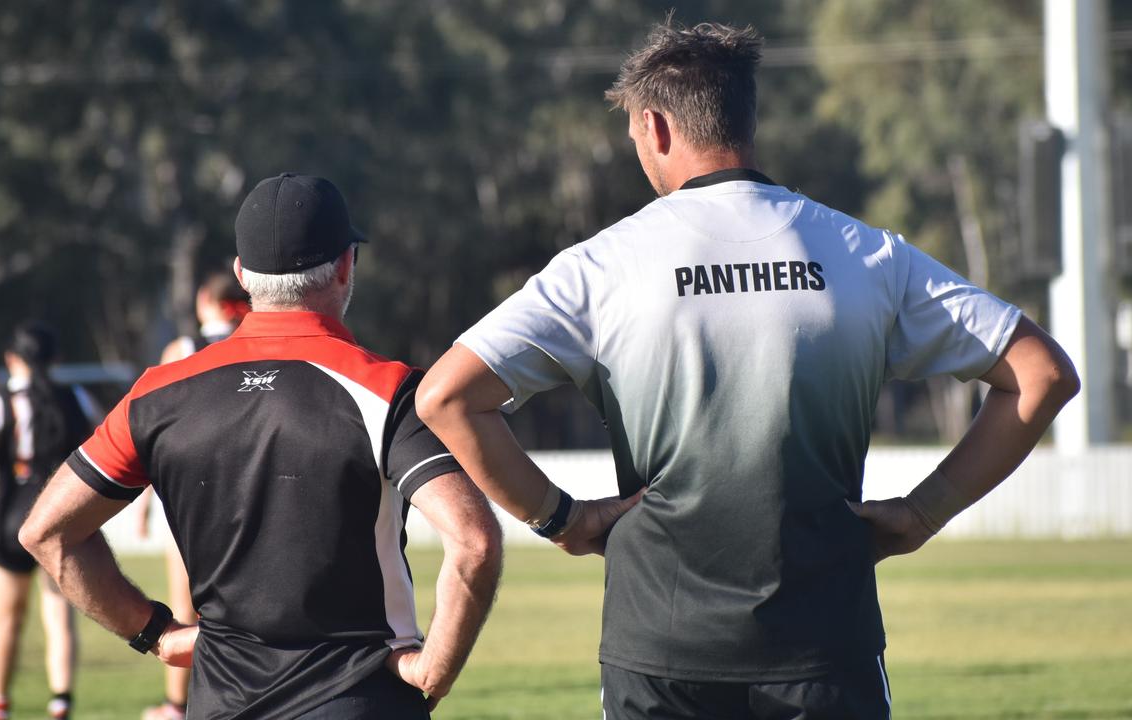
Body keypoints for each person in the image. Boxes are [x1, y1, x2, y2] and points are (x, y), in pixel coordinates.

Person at [416, 21, 1080, 720]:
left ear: (655, 127)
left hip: (659, 648)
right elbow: (1042, 374)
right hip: (827, 644)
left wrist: (561, 519)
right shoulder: (865, 253)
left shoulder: (601, 267)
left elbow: (447, 397)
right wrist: (924, 510)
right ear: (746, 118)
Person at [20, 173, 503, 718]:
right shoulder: (387, 392)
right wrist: (434, 669)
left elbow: (48, 534)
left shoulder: (157, 395)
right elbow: (475, 540)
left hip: (219, 702)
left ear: (242, 275)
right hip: (362, 700)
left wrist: (153, 633)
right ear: (346, 265)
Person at [0, 322, 101, 720]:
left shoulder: (2, 402)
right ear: (56, 359)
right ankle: (61, 702)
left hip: (13, 520)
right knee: (59, 617)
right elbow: (109, 441)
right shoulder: (76, 397)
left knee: (6, 620)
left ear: (11, 358)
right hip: (63, 520)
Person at [131, 270, 249, 720]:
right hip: (244, 490)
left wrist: (143, 501)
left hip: (188, 496)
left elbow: (151, 433)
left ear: (204, 299)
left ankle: (177, 705)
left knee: (186, 608)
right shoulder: (254, 346)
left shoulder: (182, 350)